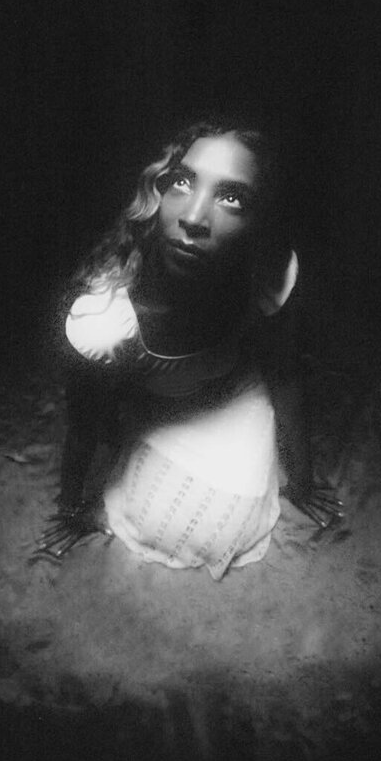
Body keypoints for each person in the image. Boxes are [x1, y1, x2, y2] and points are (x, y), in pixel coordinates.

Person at [37, 118, 343, 579]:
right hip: (145, 410)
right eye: (182, 182)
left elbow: (284, 375)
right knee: (156, 521)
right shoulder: (104, 318)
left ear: (258, 220)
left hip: (228, 393)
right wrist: (72, 507)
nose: (194, 218)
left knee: (223, 528)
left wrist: (302, 481)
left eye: (231, 197)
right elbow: (87, 427)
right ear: (157, 190)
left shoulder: (264, 277)